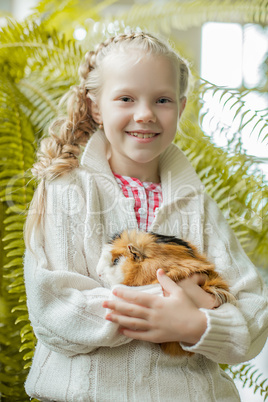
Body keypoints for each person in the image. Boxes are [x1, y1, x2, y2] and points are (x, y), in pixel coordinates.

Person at [23, 31, 267, 401]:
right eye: (125, 98)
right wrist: (174, 306)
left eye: (163, 99)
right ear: (96, 108)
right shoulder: (67, 190)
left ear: (181, 108)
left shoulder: (197, 204)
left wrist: (195, 323)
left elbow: (253, 313)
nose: (145, 114)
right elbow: (54, 304)